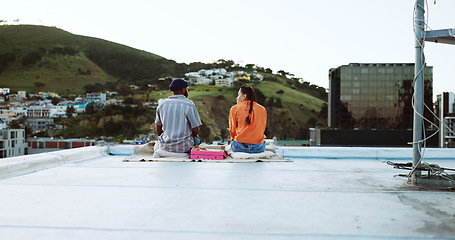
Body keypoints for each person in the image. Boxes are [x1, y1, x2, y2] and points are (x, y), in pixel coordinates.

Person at [155, 79, 202, 153]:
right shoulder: (189, 104)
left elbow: (158, 131)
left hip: (164, 146)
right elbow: (195, 130)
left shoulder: (162, 104)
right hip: (184, 147)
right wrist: (195, 136)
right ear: (183, 90)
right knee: (198, 140)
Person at [228, 85, 267, 153]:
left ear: (244, 96)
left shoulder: (234, 108)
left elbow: (233, 130)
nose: (237, 98)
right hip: (259, 148)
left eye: (238, 95)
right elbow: (262, 129)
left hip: (240, 147)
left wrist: (233, 141)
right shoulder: (262, 109)